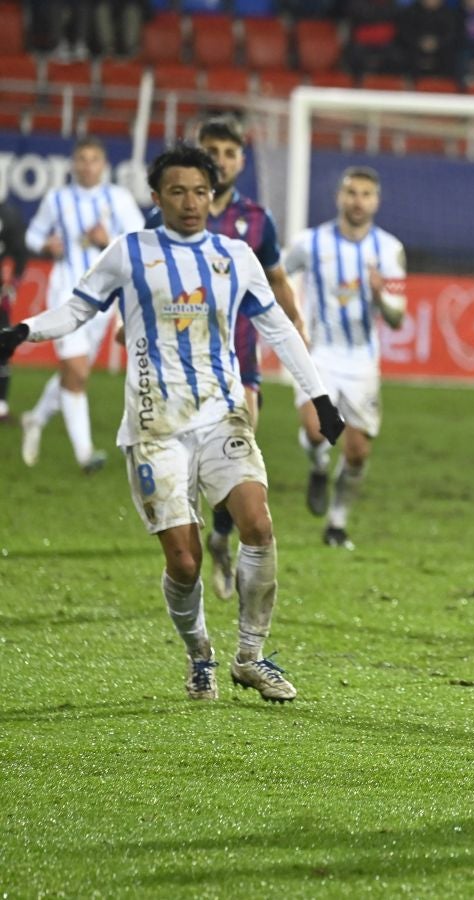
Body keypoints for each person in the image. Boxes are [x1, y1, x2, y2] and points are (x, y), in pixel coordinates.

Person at [0, 144, 345, 703]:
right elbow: (78, 309)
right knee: (184, 561)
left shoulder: (236, 256)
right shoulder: (129, 252)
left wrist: (321, 398)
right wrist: (24, 332)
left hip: (222, 415)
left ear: (213, 195)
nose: (190, 202)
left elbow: (279, 329)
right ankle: (200, 654)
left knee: (258, 524)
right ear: (156, 197)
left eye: (200, 192)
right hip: (154, 426)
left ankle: (250, 657)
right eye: (178, 192)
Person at [145, 117, 306, 602]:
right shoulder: (167, 214)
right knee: (185, 463)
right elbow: (142, 276)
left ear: (241, 160)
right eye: (211, 149)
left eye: (229, 152)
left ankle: (220, 533)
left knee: (242, 443)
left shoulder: (257, 219)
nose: (220, 159)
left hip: (238, 356)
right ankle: (193, 542)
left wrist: (296, 325)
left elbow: (276, 278)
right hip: (177, 364)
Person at [283, 167, 407, 550]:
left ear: (376, 201)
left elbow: (398, 317)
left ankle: (336, 524)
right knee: (316, 430)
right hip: (318, 354)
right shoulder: (309, 242)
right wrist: (292, 316)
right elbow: (276, 276)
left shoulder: (389, 249)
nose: (358, 201)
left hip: (362, 362)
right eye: (352, 193)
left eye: (366, 194)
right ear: (339, 197)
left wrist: (380, 297)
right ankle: (319, 465)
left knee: (357, 452)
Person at [21, 136, 145, 474]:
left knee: (74, 373)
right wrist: (46, 245)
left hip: (103, 299)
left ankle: (35, 418)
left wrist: (109, 241)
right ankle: (85, 454)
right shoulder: (57, 199)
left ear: (103, 164)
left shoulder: (118, 199)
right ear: (73, 164)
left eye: (93, 159)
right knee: (77, 372)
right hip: (66, 293)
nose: (87, 166)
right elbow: (32, 235)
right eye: (82, 159)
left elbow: (139, 240)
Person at [0, 198, 30, 423]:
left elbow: (20, 252)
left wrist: (12, 285)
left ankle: (0, 406)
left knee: (2, 346)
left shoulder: (6, 214)